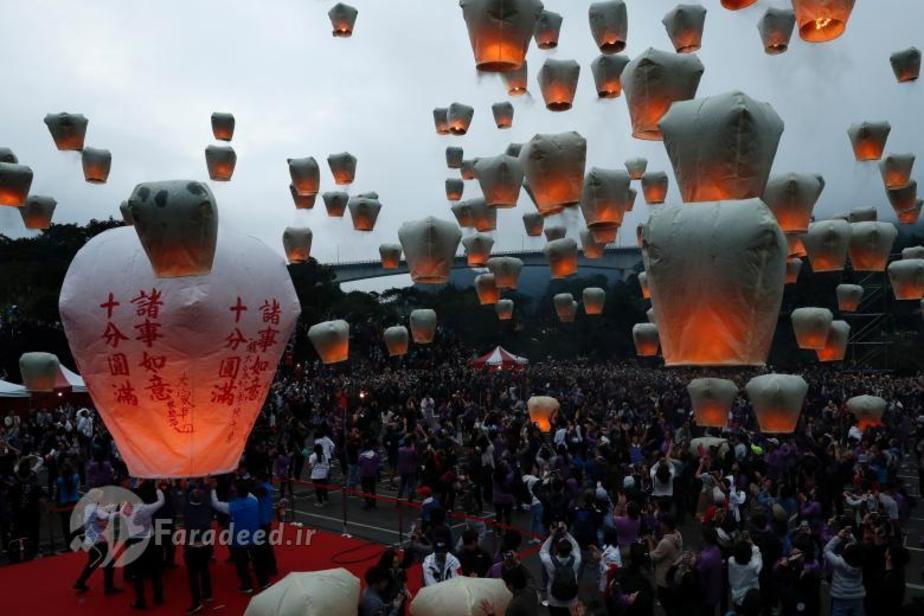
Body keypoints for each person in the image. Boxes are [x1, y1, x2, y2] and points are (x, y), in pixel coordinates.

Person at [210, 478, 270, 593]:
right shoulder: (254, 501)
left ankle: (247, 585)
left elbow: (215, 504)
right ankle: (264, 582)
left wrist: (213, 489)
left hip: (238, 540)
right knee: (257, 561)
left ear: (236, 492)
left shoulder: (231, 506)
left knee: (241, 564)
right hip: (254, 537)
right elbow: (249, 493)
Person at [125, 480, 166, 610]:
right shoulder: (145, 508)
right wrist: (157, 488)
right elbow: (161, 502)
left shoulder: (125, 511)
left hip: (135, 543)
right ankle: (158, 596)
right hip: (150, 541)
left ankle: (141, 600)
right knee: (155, 571)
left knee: (138, 574)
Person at [72, 487, 121, 595]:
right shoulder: (95, 508)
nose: (102, 497)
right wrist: (121, 511)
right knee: (109, 562)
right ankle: (109, 587)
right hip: (99, 540)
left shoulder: (88, 507)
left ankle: (80, 582)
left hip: (89, 540)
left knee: (93, 561)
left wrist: (115, 505)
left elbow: (103, 510)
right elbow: (107, 515)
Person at [183, 484, 214, 615]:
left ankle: (196, 603)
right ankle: (207, 594)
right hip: (206, 546)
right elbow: (208, 497)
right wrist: (207, 486)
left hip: (192, 548)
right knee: (205, 569)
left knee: (193, 576)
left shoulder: (186, 509)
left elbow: (180, 500)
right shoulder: (207, 507)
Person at [539, 522, 581, 615]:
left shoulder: (549, 561)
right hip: (571, 600)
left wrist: (552, 535)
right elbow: (576, 547)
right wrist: (566, 533)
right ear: (570, 551)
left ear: (557, 549)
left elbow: (543, 551)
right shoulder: (576, 560)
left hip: (554, 599)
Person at [825, 528, 866, 616]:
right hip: (857, 597)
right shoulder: (862, 561)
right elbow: (857, 549)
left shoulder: (839, 562)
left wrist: (839, 537)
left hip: (840, 597)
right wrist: (850, 536)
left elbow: (827, 550)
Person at [649, 514, 683, 607]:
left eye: (661, 523)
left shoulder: (665, 542)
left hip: (664, 577)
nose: (660, 524)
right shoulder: (678, 535)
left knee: (666, 604)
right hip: (673, 574)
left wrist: (650, 544)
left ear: (666, 525)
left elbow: (653, 556)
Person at [727, 538, 761, 613]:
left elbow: (739, 553)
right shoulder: (753, 566)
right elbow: (757, 557)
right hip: (750, 600)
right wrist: (753, 546)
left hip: (736, 597)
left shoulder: (730, 561)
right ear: (749, 554)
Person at [255, 472, 278, 576]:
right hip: (267, 518)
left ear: (260, 480)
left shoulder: (262, 489)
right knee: (266, 544)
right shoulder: (268, 486)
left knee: (264, 545)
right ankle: (270, 566)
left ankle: (270, 567)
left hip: (262, 520)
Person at [358, 440, 381, 510]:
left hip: (364, 475)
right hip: (373, 475)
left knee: (365, 490)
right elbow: (378, 463)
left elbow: (359, 464)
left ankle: (367, 504)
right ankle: (373, 504)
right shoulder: (376, 455)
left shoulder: (362, 456)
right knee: (372, 489)